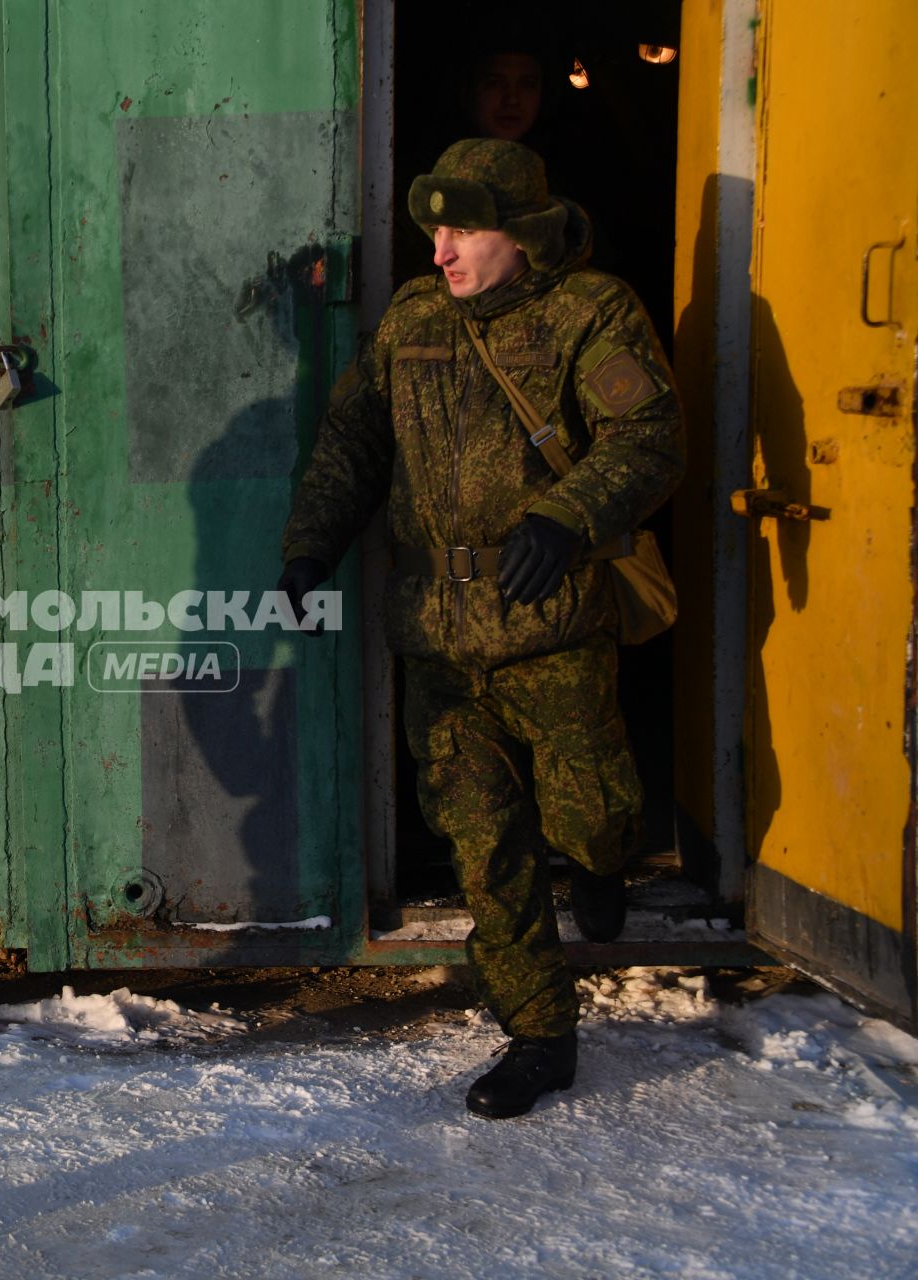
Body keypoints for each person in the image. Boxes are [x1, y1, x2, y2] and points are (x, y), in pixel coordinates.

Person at [276, 138, 684, 1119]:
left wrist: (566, 513)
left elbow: (649, 435)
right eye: (436, 229)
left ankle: (601, 858)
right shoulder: (414, 318)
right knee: (482, 841)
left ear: (525, 233)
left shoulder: (592, 312)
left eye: (464, 229)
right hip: (437, 637)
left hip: (551, 625)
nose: (442, 251)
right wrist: (311, 545)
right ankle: (539, 1031)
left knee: (591, 806)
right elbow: (353, 441)